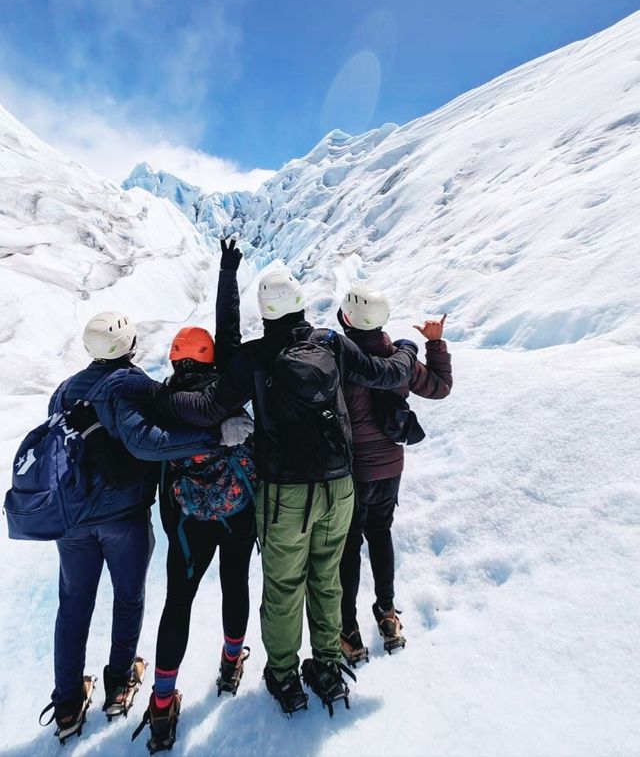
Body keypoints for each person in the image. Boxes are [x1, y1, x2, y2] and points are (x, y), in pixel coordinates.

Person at [143, 269, 419, 716]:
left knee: (284, 585)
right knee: (327, 578)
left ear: (265, 313)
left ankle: (284, 675)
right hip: (339, 487)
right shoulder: (331, 343)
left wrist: (155, 395)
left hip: (284, 495)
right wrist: (407, 348)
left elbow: (207, 407)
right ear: (301, 304)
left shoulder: (252, 358)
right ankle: (327, 664)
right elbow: (387, 374)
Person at [39, 310, 221, 744]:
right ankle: (120, 681)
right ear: (130, 344)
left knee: (73, 605)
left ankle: (67, 703)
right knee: (128, 597)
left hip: (74, 520)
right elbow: (148, 442)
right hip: (122, 516)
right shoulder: (131, 383)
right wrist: (214, 437)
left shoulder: (66, 390)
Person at [132, 239, 257, 753]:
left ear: (174, 358)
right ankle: (231, 664)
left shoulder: (160, 399)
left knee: (178, 604)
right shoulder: (227, 385)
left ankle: (162, 702)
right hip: (238, 510)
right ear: (209, 357)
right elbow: (228, 328)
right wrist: (228, 272)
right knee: (234, 584)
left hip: (186, 521)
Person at [337, 284, 452, 663]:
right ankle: (386, 613)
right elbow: (439, 388)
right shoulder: (398, 358)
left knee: (349, 547)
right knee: (380, 534)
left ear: (347, 319)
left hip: (352, 472)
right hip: (390, 466)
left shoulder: (339, 359)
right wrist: (434, 345)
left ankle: (348, 628)